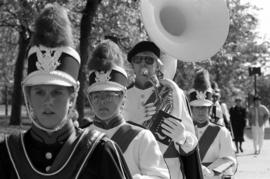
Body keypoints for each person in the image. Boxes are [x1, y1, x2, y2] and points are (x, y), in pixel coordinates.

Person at [0, 4, 131, 179]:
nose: (48, 101)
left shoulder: (101, 152)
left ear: (72, 96)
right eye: (39, 92)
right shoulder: (7, 153)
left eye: (57, 92)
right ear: (28, 96)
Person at [85, 40, 170, 179]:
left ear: (123, 97)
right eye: (96, 96)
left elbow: (161, 177)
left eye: (109, 95)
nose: (102, 101)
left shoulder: (141, 137)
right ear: (89, 98)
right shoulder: (81, 136)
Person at [124, 40, 202, 179]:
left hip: (170, 170)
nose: (143, 64)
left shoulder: (172, 92)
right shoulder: (122, 96)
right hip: (134, 169)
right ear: (132, 65)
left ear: (157, 65)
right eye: (138, 60)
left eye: (149, 60)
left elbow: (191, 143)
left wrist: (182, 138)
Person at [189, 68, 237, 179]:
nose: (201, 111)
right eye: (197, 107)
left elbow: (230, 159)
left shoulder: (222, 132)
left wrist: (211, 171)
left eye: (204, 108)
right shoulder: (185, 131)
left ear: (210, 109)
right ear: (191, 109)